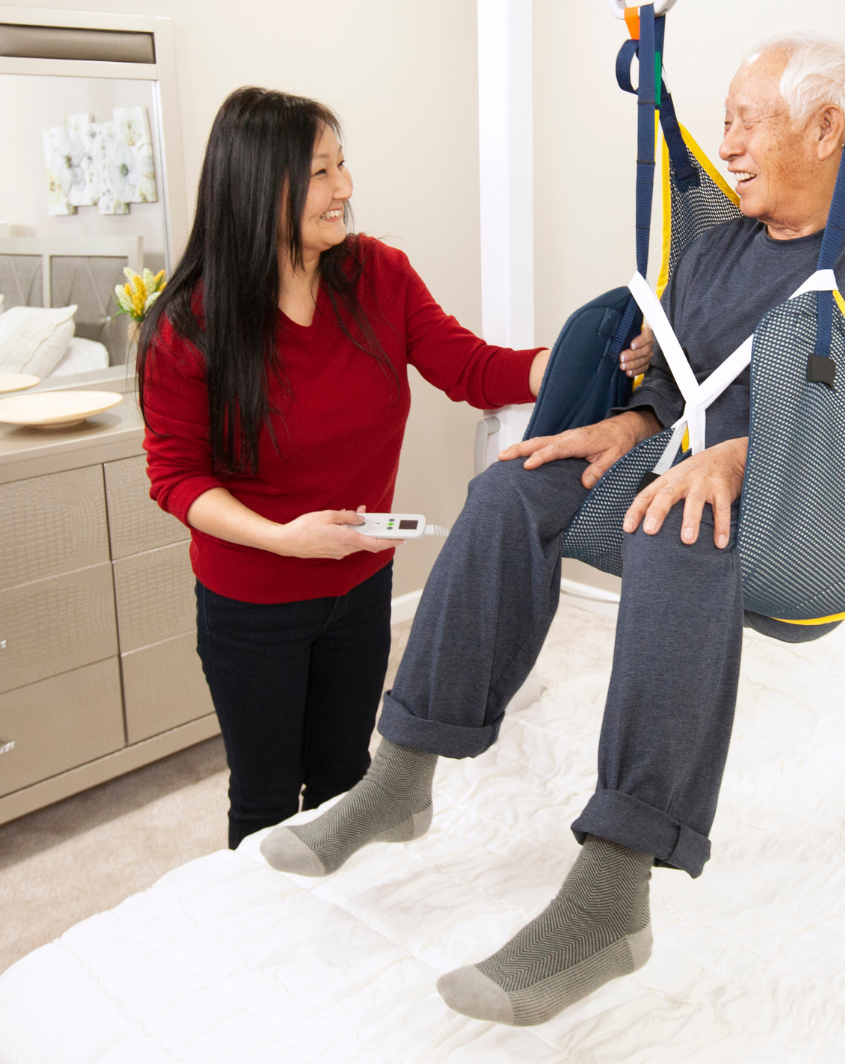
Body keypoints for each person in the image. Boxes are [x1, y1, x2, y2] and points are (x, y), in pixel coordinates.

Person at [267, 31, 845, 1027]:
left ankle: (615, 891)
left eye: (747, 119)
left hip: (806, 517)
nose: (729, 143)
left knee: (683, 523)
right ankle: (401, 777)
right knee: (512, 485)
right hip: (678, 466)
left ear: (827, 124)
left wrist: (746, 454)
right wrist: (619, 425)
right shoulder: (717, 246)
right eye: (722, 120)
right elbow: (675, 377)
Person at [139, 87, 652, 850]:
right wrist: (283, 539)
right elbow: (177, 478)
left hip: (359, 584)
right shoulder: (189, 326)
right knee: (266, 796)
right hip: (252, 600)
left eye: (342, 165)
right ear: (259, 183)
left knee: (351, 776)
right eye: (321, 172)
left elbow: (469, 366)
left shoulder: (376, 274)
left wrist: (589, 360)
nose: (345, 187)